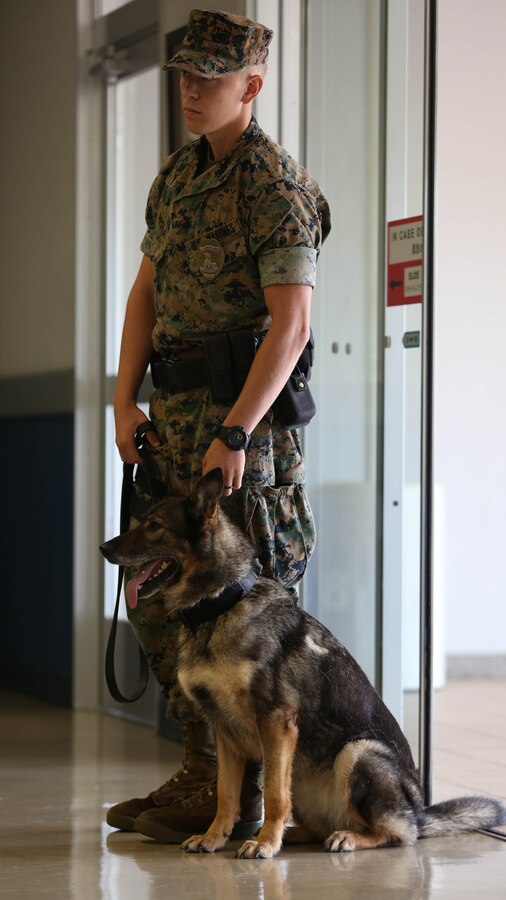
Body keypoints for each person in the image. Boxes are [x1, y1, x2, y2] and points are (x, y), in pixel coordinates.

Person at [107, 8, 331, 843]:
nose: (194, 91)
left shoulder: (274, 187)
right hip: (174, 420)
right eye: (186, 77)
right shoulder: (177, 178)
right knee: (162, 601)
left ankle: (270, 799)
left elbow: (291, 328)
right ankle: (205, 776)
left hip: (248, 441)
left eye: (211, 76)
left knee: (251, 621)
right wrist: (123, 398)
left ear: (253, 84)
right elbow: (145, 295)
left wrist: (235, 435)